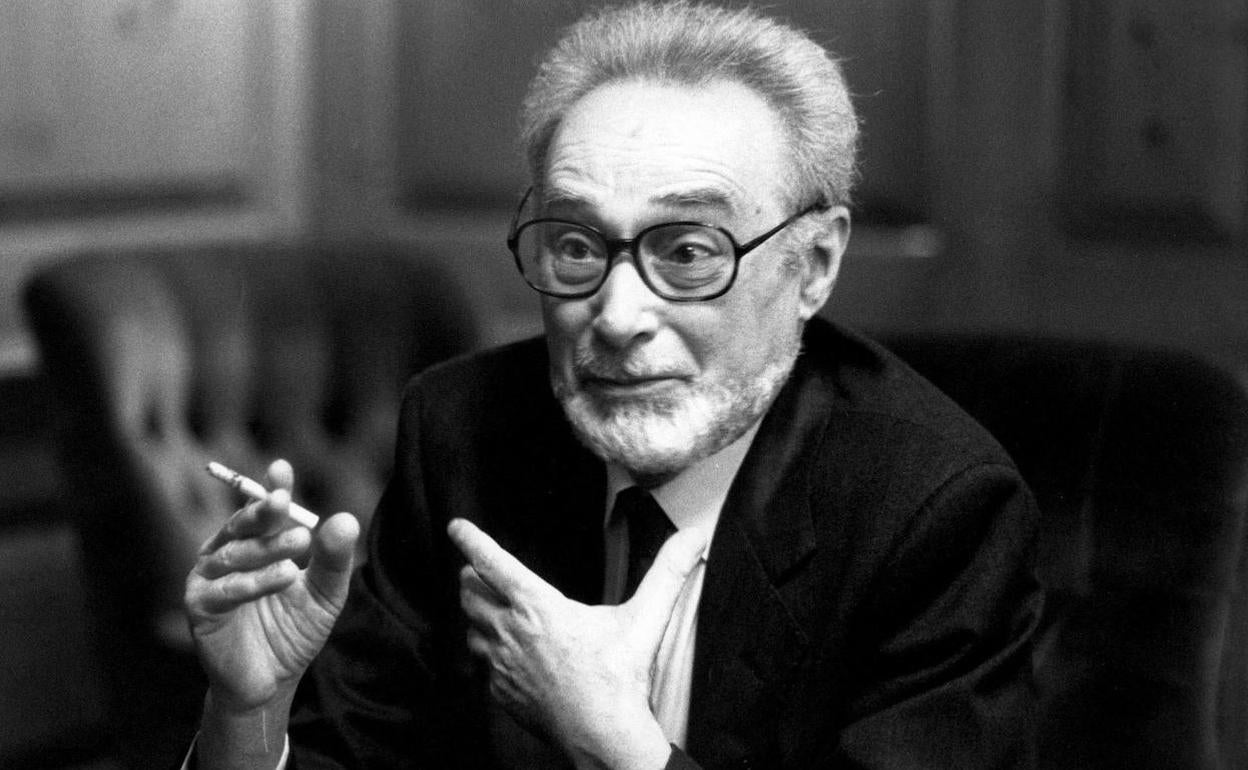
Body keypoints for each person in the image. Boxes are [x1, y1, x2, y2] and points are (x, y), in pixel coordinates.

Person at [183, 2, 1043, 767]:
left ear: (814, 264)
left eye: (688, 251)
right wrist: (248, 716)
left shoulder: (932, 512)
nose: (618, 315)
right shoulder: (461, 432)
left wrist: (618, 744)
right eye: (576, 245)